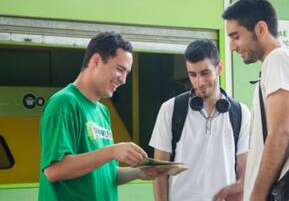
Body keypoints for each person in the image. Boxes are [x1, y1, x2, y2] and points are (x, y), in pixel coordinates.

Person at [39, 32, 167, 201]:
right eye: (120, 69)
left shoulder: (102, 111)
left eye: (127, 73)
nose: (123, 80)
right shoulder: (64, 103)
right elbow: (54, 170)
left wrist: (138, 172)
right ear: (96, 61)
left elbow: (104, 173)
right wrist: (112, 151)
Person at [222, 0, 289, 201]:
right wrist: (244, 185)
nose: (232, 47)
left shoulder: (278, 59)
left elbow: (279, 135)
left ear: (261, 29)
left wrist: (256, 197)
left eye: (236, 36)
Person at [149, 39, 251, 201]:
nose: (199, 82)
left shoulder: (241, 113)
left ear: (219, 68)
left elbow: (244, 174)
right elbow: (159, 172)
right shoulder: (170, 109)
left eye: (205, 73)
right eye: (192, 74)